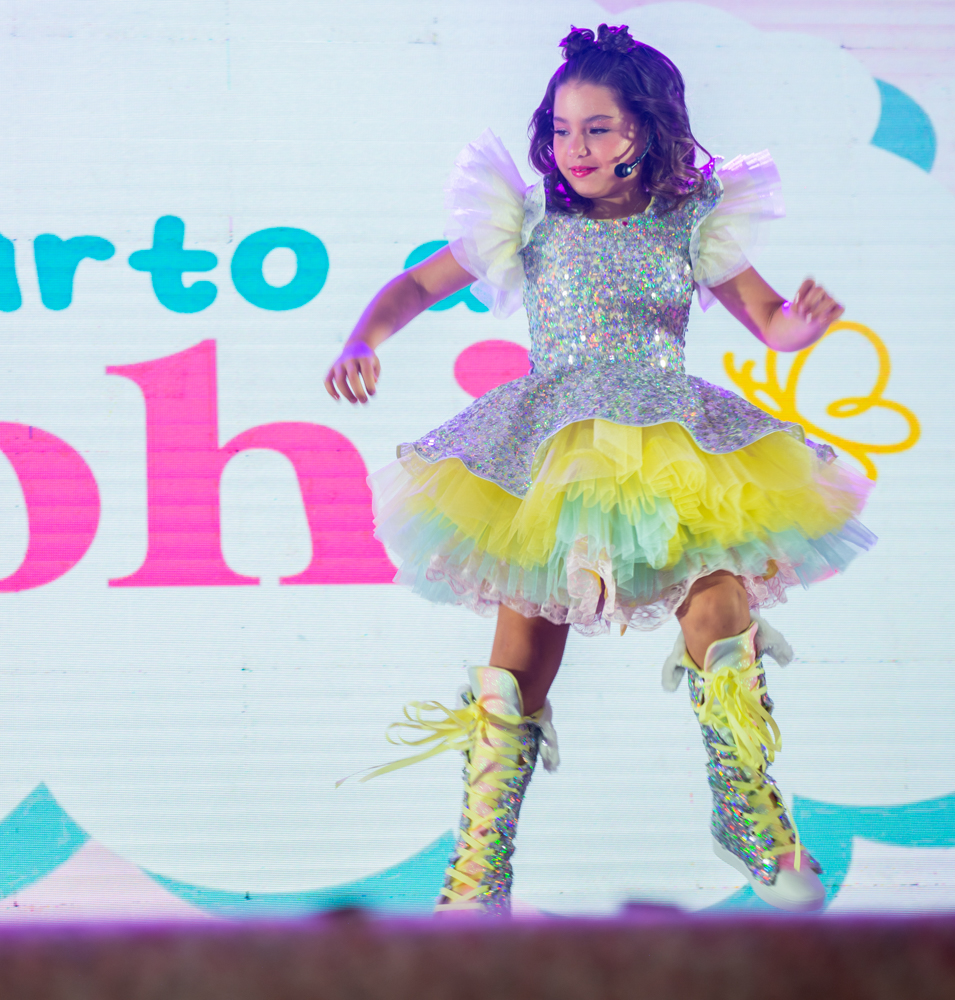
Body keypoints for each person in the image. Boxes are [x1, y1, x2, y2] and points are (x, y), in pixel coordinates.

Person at [325, 24, 874, 916]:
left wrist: (798, 329)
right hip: (554, 455)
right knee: (519, 663)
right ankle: (477, 875)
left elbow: (769, 318)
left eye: (598, 128)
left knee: (720, 611)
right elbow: (418, 285)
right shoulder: (530, 220)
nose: (575, 147)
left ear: (642, 132)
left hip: (673, 446)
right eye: (562, 129)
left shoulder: (691, 223)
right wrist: (363, 339)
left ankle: (748, 815)